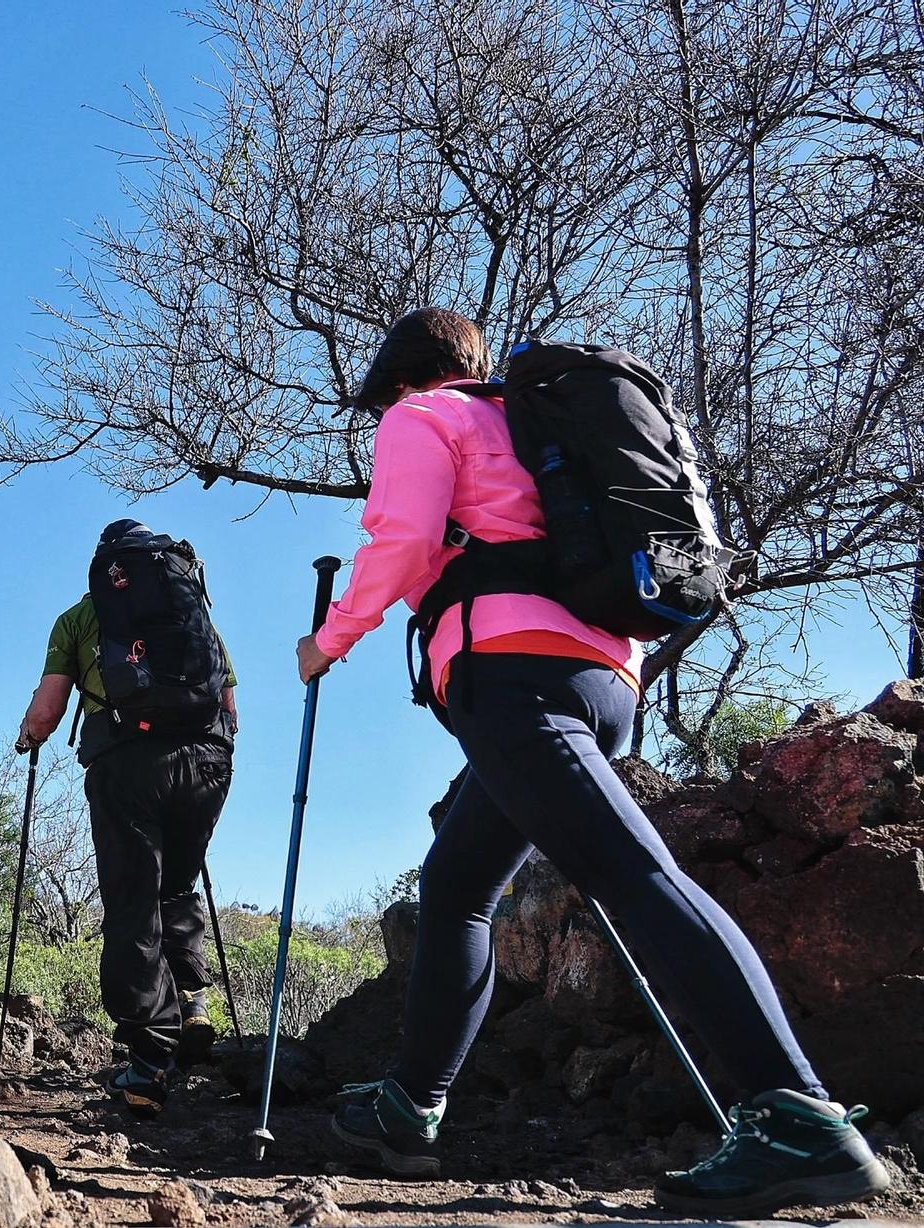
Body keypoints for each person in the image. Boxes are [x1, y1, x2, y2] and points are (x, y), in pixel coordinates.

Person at [298, 308, 889, 1216]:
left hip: (512, 676)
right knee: (458, 886)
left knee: (633, 873)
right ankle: (407, 1110)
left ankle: (799, 1114)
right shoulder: (534, 424)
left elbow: (407, 542)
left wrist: (330, 640)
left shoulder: (424, 419)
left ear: (404, 377)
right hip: (607, 676)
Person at [17, 518, 238, 1118]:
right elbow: (229, 704)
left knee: (132, 896)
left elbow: (47, 710)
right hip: (207, 760)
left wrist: (29, 737)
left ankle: (148, 1063)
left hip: (127, 763)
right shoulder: (193, 610)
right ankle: (193, 1002)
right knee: (179, 884)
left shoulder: (81, 617)